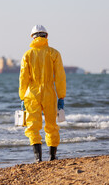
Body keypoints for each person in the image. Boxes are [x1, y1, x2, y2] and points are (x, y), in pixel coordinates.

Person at [19, 25, 66, 162]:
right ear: (46, 36)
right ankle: (52, 156)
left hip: (31, 94)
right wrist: (61, 96)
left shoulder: (27, 55)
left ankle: (38, 158)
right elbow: (60, 77)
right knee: (51, 125)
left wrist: (22, 97)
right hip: (49, 92)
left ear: (32, 37)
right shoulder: (54, 53)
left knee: (33, 125)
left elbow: (23, 79)